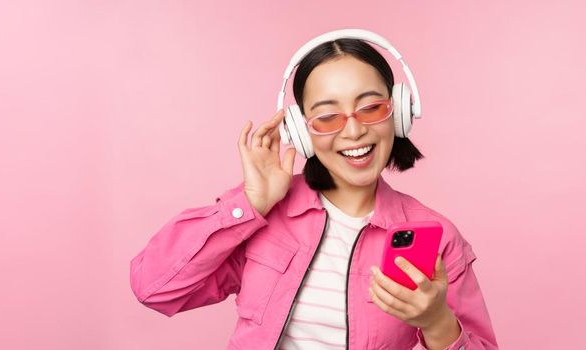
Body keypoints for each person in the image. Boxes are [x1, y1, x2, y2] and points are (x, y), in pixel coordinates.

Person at [129, 35, 498, 350]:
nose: (353, 131)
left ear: (398, 112)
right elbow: (154, 288)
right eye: (327, 116)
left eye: (370, 108)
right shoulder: (265, 214)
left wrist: (437, 323)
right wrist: (251, 203)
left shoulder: (435, 235)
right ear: (301, 132)